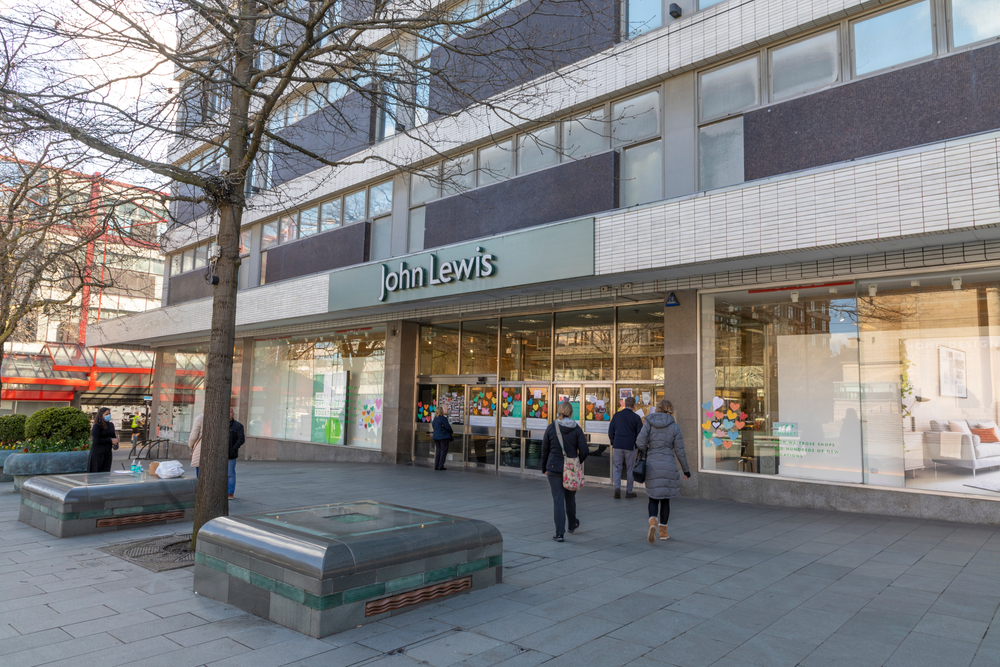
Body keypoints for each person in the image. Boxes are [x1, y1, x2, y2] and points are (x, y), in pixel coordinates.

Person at [636, 399, 690, 543]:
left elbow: (639, 442)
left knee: (653, 497)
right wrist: (686, 470)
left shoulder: (649, 423)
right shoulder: (675, 427)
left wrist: (649, 450)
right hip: (669, 465)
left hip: (653, 465)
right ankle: (663, 532)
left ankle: (652, 521)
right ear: (671, 410)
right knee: (666, 499)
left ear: (658, 409)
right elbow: (680, 452)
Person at [540, 401, 589, 542]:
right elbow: (585, 450)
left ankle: (559, 533)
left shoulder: (551, 428)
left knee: (558, 500)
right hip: (571, 469)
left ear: (559, 411)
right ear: (571, 413)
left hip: (554, 468)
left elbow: (545, 450)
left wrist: (544, 467)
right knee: (570, 498)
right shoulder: (576, 429)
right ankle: (572, 523)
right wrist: (577, 462)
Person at [609, 396, 643, 499]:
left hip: (618, 445)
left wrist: (613, 441)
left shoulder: (617, 415)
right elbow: (640, 434)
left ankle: (617, 489)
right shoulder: (636, 417)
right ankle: (629, 491)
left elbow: (611, 430)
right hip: (630, 445)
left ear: (625, 404)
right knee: (630, 469)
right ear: (634, 406)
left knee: (618, 468)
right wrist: (637, 444)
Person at [88, 407, 118, 473]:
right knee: (96, 472)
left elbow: (113, 436)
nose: (108, 415)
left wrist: (115, 443)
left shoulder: (110, 425)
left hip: (107, 452)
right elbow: (96, 440)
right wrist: (110, 440)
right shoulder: (97, 426)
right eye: (106, 414)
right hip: (98, 453)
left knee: (106, 471)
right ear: (101, 415)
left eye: (109, 414)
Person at [228, 407, 246, 499]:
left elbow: (241, 439)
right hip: (219, 455)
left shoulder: (238, 426)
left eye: (230, 412)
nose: (229, 413)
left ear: (233, 413)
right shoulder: (219, 425)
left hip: (231, 454)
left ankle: (230, 493)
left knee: (230, 474)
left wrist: (234, 448)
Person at [431, 404, 454, 471]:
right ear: (441, 411)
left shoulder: (434, 419)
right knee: (443, 451)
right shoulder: (443, 418)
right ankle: (441, 465)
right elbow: (448, 427)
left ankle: (436, 465)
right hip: (443, 437)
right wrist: (451, 431)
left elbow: (434, 427)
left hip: (435, 437)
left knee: (438, 450)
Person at [188, 412, 204, 477]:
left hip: (200, 449)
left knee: (199, 475)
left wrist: (190, 445)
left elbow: (193, 437)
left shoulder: (200, 418)